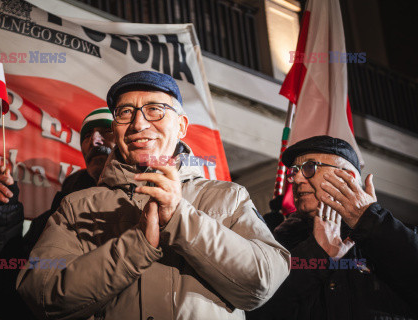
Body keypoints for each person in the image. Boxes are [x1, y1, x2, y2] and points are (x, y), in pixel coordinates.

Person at [16, 71, 291, 320]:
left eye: (155, 110)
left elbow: (262, 282)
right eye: (125, 112)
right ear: (115, 129)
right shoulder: (77, 206)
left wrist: (180, 217)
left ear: (182, 125)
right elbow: (42, 296)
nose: (138, 123)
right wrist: (137, 246)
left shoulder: (228, 197)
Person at [248, 135, 418, 320]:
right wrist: (315, 255)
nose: (296, 179)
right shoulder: (273, 244)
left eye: (309, 167)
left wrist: (370, 222)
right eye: (294, 171)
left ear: (348, 177)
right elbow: (253, 312)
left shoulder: (398, 235)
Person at [0, 107, 115, 320]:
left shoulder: (150, 205)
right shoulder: (56, 215)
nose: (94, 140)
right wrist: (2, 216)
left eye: (107, 132)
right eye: (87, 136)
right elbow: (7, 297)